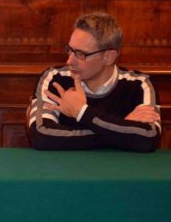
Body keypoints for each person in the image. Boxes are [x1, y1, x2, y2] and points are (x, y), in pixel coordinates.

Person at [28, 12, 160, 152]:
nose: (69, 61)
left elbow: (148, 138)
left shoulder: (139, 84)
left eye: (81, 54)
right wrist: (122, 129)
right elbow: (42, 136)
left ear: (109, 57)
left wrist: (81, 112)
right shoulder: (55, 78)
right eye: (70, 50)